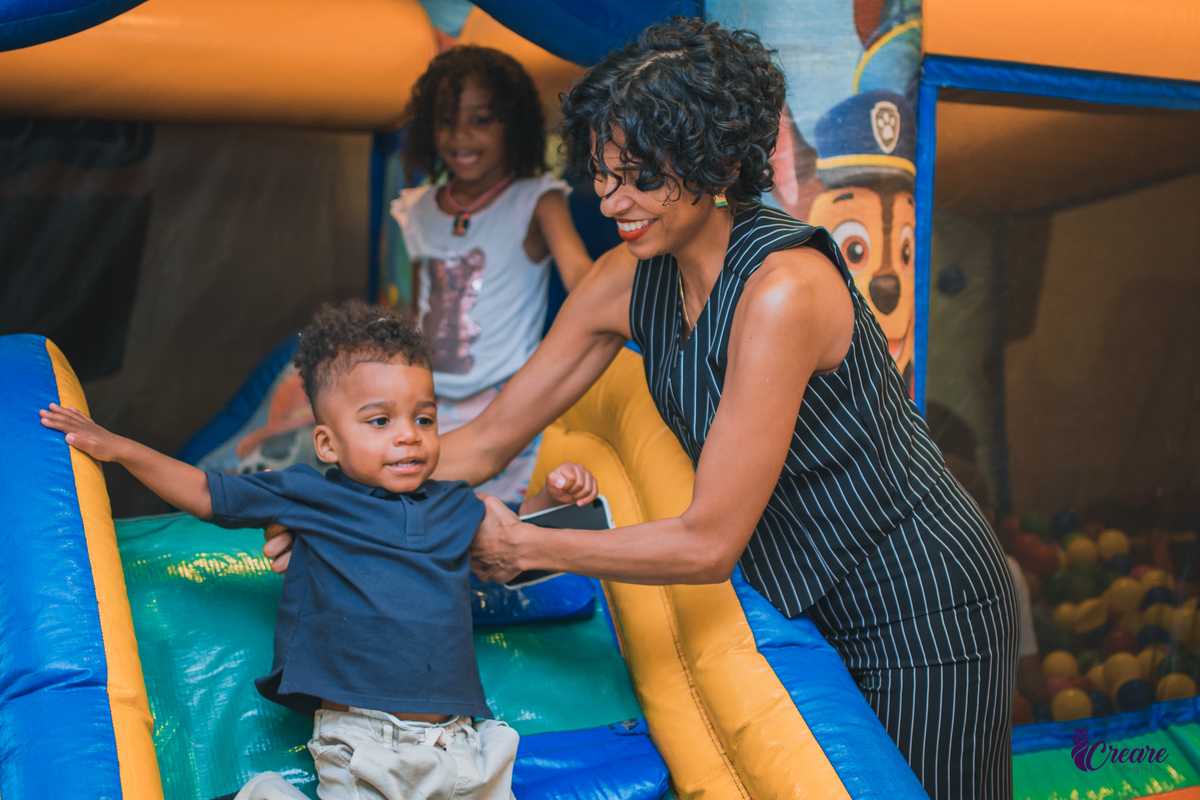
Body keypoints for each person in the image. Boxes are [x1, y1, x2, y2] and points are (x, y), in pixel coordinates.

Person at [267, 19, 1016, 800]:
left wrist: (529, 545)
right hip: (799, 594)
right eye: (601, 172)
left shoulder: (782, 290)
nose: (612, 200)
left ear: (720, 163)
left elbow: (708, 542)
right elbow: (488, 440)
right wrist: (328, 500)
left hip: (921, 603)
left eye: (640, 178)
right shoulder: (627, 279)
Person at [41, 300, 598, 800]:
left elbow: (514, 547)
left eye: (423, 418)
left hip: (459, 744)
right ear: (328, 443)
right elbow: (210, 493)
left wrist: (552, 496)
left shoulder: (455, 504)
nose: (408, 435)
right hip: (365, 739)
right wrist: (119, 448)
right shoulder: (311, 495)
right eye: (380, 421)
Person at [390, 45, 593, 507]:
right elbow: (413, 305)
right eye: (446, 120)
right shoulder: (418, 208)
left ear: (514, 126)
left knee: (481, 515)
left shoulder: (536, 199)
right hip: (427, 405)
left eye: (482, 120)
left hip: (503, 406)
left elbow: (582, 276)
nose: (461, 135)